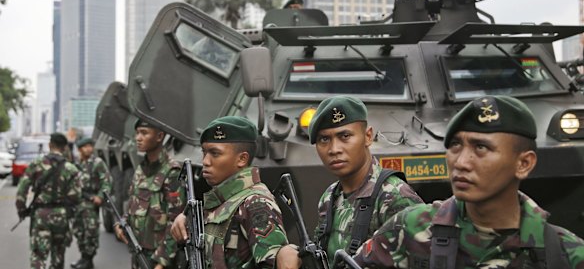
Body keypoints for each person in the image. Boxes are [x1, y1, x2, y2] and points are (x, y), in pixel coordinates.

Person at [353, 95, 584, 268]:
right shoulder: (409, 231)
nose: (461, 162)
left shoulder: (565, 255)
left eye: (481, 148)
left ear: (524, 163)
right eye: (455, 145)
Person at [277, 95, 423, 268]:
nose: (334, 149)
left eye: (345, 136)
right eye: (324, 139)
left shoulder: (395, 197)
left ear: (368, 136)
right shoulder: (330, 197)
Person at [170, 116, 289, 268]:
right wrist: (186, 221)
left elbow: (270, 264)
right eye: (204, 152)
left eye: (215, 153)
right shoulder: (221, 200)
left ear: (242, 159)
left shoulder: (256, 203)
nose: (205, 161)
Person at [114, 120, 185, 269]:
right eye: (137, 132)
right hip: (138, 252)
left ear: (159, 136)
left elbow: (175, 221)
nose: (138, 138)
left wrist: (162, 262)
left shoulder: (172, 172)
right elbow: (135, 204)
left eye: (144, 133)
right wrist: (122, 222)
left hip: (158, 258)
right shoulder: (141, 169)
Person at [15, 132, 82, 269]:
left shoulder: (36, 164)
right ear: (64, 148)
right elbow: (76, 196)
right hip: (61, 216)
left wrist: (22, 210)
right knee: (58, 256)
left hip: (41, 215)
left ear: (49, 144)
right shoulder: (71, 169)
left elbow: (21, 191)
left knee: (38, 256)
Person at [70, 137, 113, 269]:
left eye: (90, 146)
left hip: (90, 203)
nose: (89, 148)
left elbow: (107, 181)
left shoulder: (97, 162)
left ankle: (89, 260)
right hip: (77, 203)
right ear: (79, 149)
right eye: (85, 146)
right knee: (79, 231)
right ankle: (83, 258)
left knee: (90, 231)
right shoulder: (76, 163)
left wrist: (100, 196)